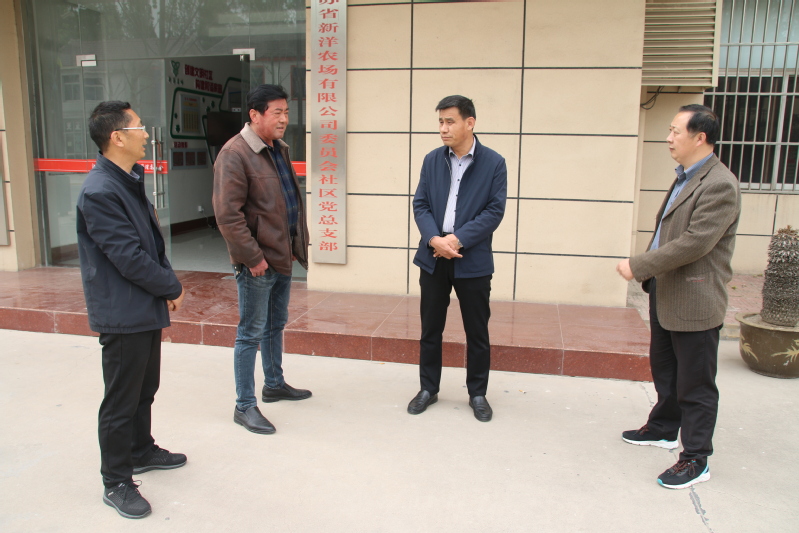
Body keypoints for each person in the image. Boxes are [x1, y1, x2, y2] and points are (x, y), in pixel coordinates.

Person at [616, 104, 741, 489]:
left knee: (696, 385)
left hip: (695, 299)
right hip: (666, 291)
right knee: (666, 370)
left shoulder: (719, 184)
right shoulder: (686, 176)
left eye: (675, 131)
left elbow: (695, 242)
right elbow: (667, 232)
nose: (669, 138)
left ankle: (696, 458)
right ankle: (664, 428)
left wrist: (640, 265)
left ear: (700, 137)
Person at [77, 101, 187, 519]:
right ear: (117, 137)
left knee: (145, 388)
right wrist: (170, 286)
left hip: (142, 304)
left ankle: (141, 450)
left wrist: (165, 281)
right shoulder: (100, 191)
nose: (146, 133)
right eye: (139, 127)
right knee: (121, 400)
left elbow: (151, 243)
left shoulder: (128, 179)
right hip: (122, 310)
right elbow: (127, 256)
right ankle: (116, 481)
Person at [213, 84, 311, 435]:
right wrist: (253, 258)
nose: (284, 119)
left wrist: (295, 246)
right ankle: (244, 405)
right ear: (254, 115)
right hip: (257, 263)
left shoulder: (278, 148)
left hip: (281, 256)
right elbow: (228, 216)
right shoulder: (235, 153)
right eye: (277, 112)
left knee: (275, 324)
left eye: (287, 112)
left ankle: (274, 384)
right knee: (250, 333)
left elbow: (285, 202)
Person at [408, 95, 507, 422]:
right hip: (434, 257)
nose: (443, 128)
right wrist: (434, 239)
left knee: (477, 331)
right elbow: (421, 204)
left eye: (450, 121)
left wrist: (456, 239)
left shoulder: (494, 163)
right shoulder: (432, 160)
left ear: (470, 123)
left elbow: (494, 211)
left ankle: (477, 393)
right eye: (440, 122)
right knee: (430, 328)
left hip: (472, 258)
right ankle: (428, 388)